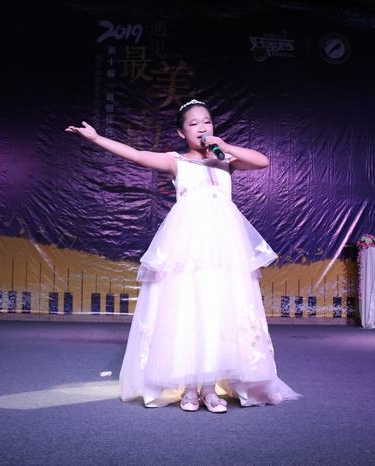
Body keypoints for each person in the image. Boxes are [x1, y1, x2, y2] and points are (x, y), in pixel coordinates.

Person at [65, 99, 301, 413]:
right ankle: (189, 388)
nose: (202, 127)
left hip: (223, 246)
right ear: (181, 132)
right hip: (186, 246)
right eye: (194, 123)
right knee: (189, 308)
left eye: (207, 121)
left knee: (218, 310)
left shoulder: (225, 159)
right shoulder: (177, 161)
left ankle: (210, 388)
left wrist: (224, 146)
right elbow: (136, 155)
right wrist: (96, 138)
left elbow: (262, 161)